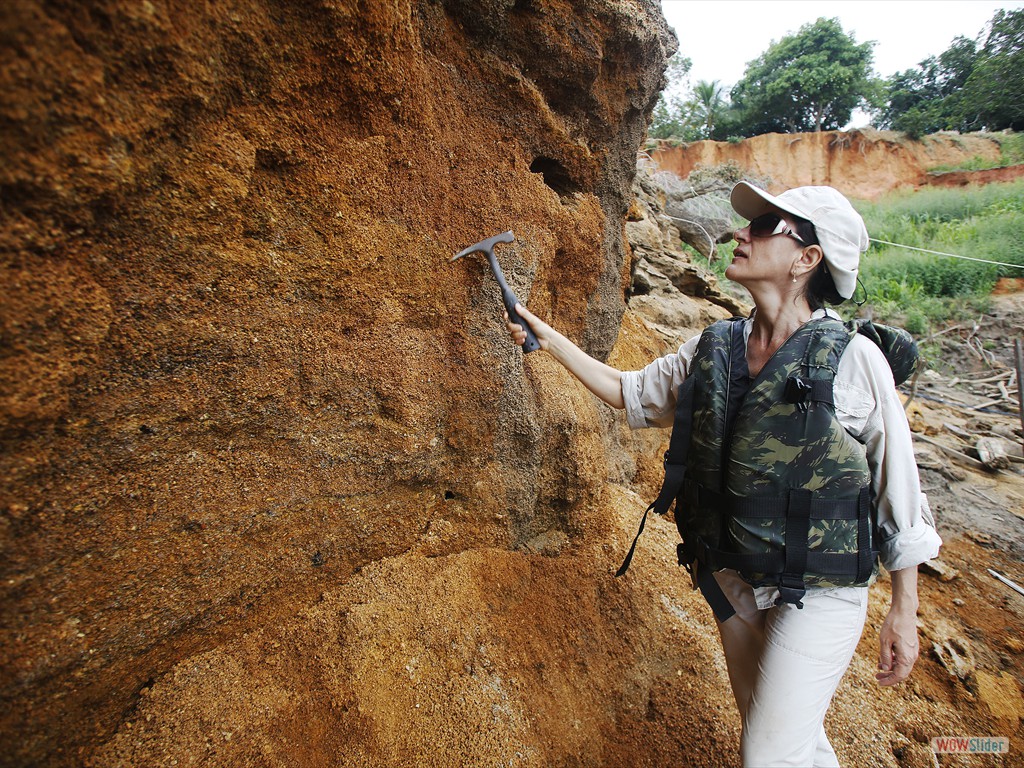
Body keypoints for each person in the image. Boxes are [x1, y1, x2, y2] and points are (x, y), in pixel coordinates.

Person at [504, 182, 942, 767]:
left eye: (765, 227)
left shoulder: (852, 360)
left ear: (807, 259)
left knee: (766, 753)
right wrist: (546, 338)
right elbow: (627, 391)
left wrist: (903, 610)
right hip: (734, 577)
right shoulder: (713, 347)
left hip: (820, 589)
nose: (742, 233)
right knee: (790, 738)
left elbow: (899, 489)